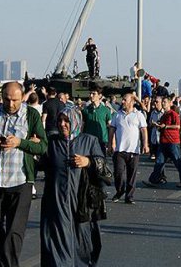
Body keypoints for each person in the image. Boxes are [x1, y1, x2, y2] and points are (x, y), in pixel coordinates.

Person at [0, 82, 48, 267]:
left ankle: (7, 263)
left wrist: (20, 143)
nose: (10, 103)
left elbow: (42, 145)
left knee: (14, 231)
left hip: (20, 180)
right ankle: (6, 261)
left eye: (15, 100)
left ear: (22, 97)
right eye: (7, 99)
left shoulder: (31, 115)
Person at [40, 107, 107, 266]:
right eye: (60, 120)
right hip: (56, 203)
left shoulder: (89, 141)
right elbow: (40, 164)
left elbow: (105, 169)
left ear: (76, 122)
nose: (62, 124)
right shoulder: (52, 143)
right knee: (56, 246)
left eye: (67, 121)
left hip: (82, 204)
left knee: (83, 246)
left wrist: (88, 162)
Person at [108, 93, 149, 204]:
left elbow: (144, 130)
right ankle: (120, 190)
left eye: (125, 100)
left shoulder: (138, 115)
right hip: (119, 150)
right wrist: (110, 144)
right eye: (122, 100)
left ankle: (129, 196)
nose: (122, 102)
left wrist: (145, 144)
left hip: (133, 151)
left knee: (132, 175)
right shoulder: (118, 115)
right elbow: (112, 130)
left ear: (132, 102)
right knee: (118, 174)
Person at [143, 97, 181, 188]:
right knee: (159, 161)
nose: (163, 104)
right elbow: (162, 127)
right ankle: (153, 180)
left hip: (172, 142)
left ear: (169, 103)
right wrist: (157, 126)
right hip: (163, 141)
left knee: (177, 161)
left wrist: (166, 126)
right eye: (162, 102)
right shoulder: (164, 115)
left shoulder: (173, 114)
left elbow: (178, 126)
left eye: (165, 102)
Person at [81, 87, 113, 154]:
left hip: (101, 141)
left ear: (100, 95)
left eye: (93, 94)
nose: (91, 95)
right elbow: (82, 126)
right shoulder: (85, 110)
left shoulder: (106, 110)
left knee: (101, 162)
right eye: (90, 93)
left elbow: (110, 127)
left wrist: (111, 143)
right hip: (88, 142)